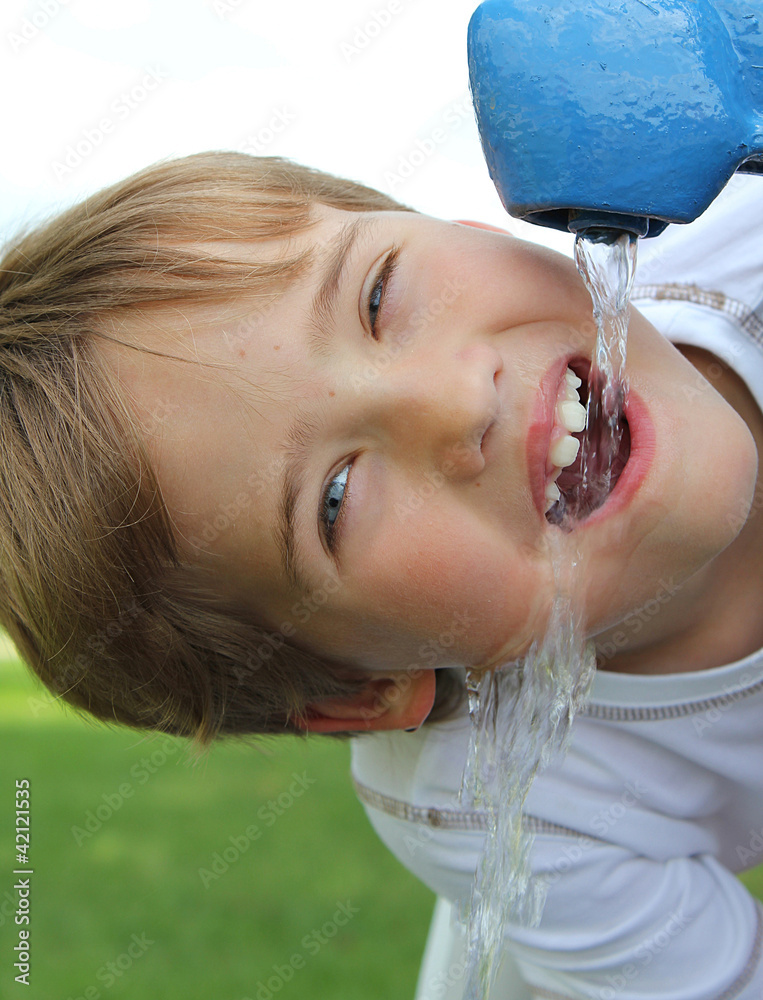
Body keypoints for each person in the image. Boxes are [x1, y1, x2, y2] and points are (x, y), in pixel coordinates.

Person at [1, 150, 762, 996]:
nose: (455, 399)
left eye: (376, 295)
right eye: (333, 501)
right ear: (363, 690)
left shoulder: (743, 228)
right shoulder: (495, 809)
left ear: (460, 228)